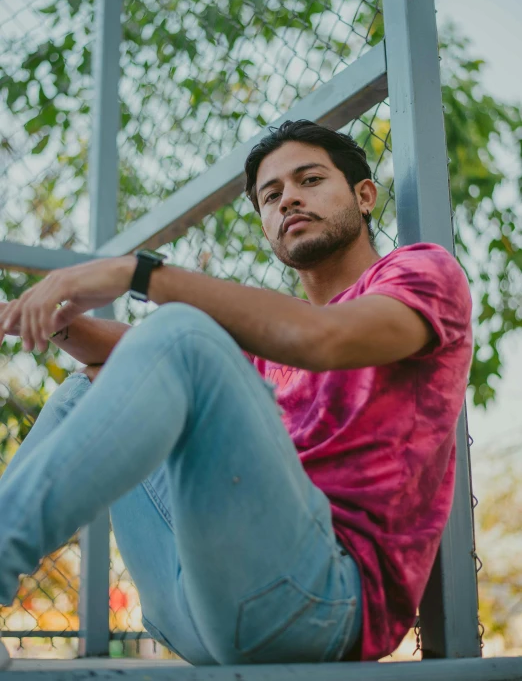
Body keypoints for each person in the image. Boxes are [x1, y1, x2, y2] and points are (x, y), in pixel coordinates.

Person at [0, 120, 472, 668]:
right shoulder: (262, 349)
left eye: (310, 179)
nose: (288, 197)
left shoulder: (421, 274)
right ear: (267, 227)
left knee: (184, 331)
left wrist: (137, 274)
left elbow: (323, 337)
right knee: (91, 387)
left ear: (364, 195)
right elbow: (140, 355)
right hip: (204, 602)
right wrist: (44, 319)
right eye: (271, 196)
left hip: (328, 602)